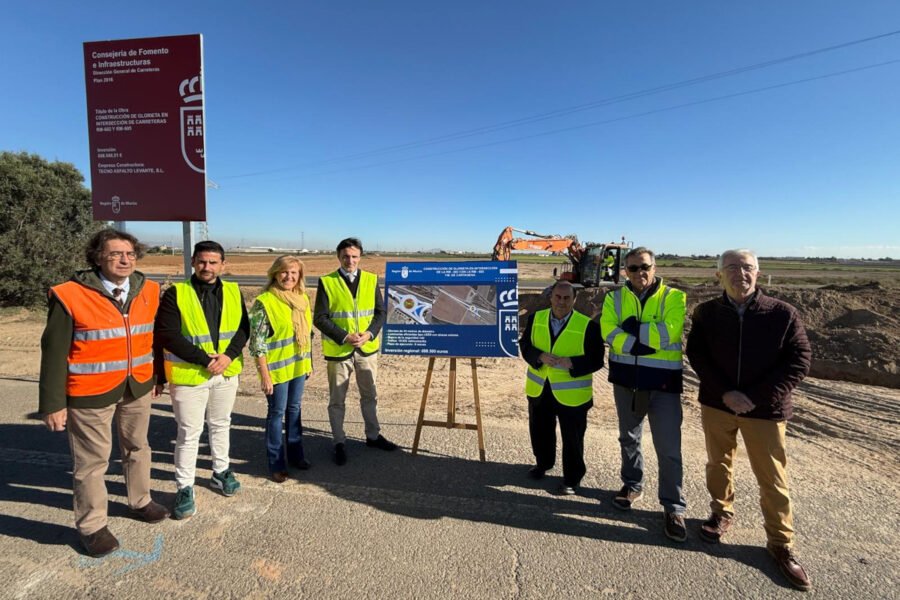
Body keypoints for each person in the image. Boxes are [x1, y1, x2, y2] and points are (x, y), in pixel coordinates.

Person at [686, 249, 812, 591]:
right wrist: (726, 392)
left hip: (765, 410)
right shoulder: (706, 313)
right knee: (718, 463)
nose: (740, 273)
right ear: (719, 275)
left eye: (747, 267)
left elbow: (799, 360)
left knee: (772, 476)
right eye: (732, 267)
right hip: (718, 404)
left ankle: (781, 543)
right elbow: (696, 354)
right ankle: (721, 512)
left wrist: (755, 396)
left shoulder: (782, 314)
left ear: (758, 272)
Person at [39, 229, 169, 557]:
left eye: (130, 254)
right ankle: (92, 525)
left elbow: (153, 338)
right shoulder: (69, 294)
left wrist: (158, 376)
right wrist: (53, 403)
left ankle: (140, 500)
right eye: (115, 254)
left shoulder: (149, 290)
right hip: (89, 392)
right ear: (98, 257)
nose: (124, 260)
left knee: (138, 447)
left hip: (137, 385)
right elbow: (53, 351)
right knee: (91, 462)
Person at [154, 240, 249, 520]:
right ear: (194, 262)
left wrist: (229, 356)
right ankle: (184, 487)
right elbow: (167, 334)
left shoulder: (233, 290)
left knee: (221, 425)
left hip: (226, 372)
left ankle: (221, 471)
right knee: (189, 433)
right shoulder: (177, 293)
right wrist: (205, 359)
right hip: (190, 376)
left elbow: (244, 328)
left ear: (223, 264)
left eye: (213, 262)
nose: (207, 267)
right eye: (202, 261)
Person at [600, 247, 688, 542]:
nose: (640, 273)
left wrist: (632, 331)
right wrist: (639, 341)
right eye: (634, 268)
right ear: (625, 271)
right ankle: (632, 485)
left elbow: (670, 334)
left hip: (663, 385)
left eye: (645, 267)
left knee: (668, 448)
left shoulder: (674, 297)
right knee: (629, 438)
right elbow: (607, 332)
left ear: (655, 266)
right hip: (626, 382)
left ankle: (673, 507)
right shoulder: (613, 298)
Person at [313, 237, 396, 465]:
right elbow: (319, 318)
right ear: (338, 257)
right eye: (346, 256)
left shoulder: (370, 279)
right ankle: (339, 442)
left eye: (354, 256)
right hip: (339, 351)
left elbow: (381, 312)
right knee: (337, 400)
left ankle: (373, 435)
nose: (350, 260)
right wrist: (344, 336)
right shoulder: (327, 282)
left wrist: (369, 334)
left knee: (369, 396)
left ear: (360, 257)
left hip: (366, 350)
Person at [519, 280, 604, 495]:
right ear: (550, 297)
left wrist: (573, 363)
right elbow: (525, 345)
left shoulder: (588, 326)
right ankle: (543, 464)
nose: (561, 302)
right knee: (540, 431)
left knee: (572, 439)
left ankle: (572, 478)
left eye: (567, 298)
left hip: (572, 395)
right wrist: (538, 356)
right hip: (540, 388)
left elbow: (597, 360)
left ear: (574, 300)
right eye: (558, 297)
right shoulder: (536, 319)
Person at [249, 255, 313, 482]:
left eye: (294, 273)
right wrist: (264, 374)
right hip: (275, 370)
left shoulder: (302, 299)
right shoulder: (264, 302)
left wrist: (308, 363)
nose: (289, 277)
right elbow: (257, 343)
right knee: (276, 414)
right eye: (284, 272)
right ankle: (276, 463)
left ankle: (297, 455)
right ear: (275, 273)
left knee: (294, 410)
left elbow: (306, 336)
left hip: (297, 367)